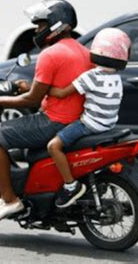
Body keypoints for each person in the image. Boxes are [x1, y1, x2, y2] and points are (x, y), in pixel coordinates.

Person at [0, 0, 93, 225]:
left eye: (40, 25)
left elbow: (32, 99)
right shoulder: (82, 51)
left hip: (54, 122)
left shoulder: (50, 55)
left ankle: (9, 199)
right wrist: (29, 86)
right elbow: (61, 88)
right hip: (75, 120)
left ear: (55, 25)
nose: (38, 30)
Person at [47, 28, 132, 208]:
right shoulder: (116, 78)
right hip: (108, 125)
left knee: (53, 146)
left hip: (89, 125)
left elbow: (62, 93)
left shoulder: (91, 76)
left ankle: (70, 186)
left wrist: (44, 88)